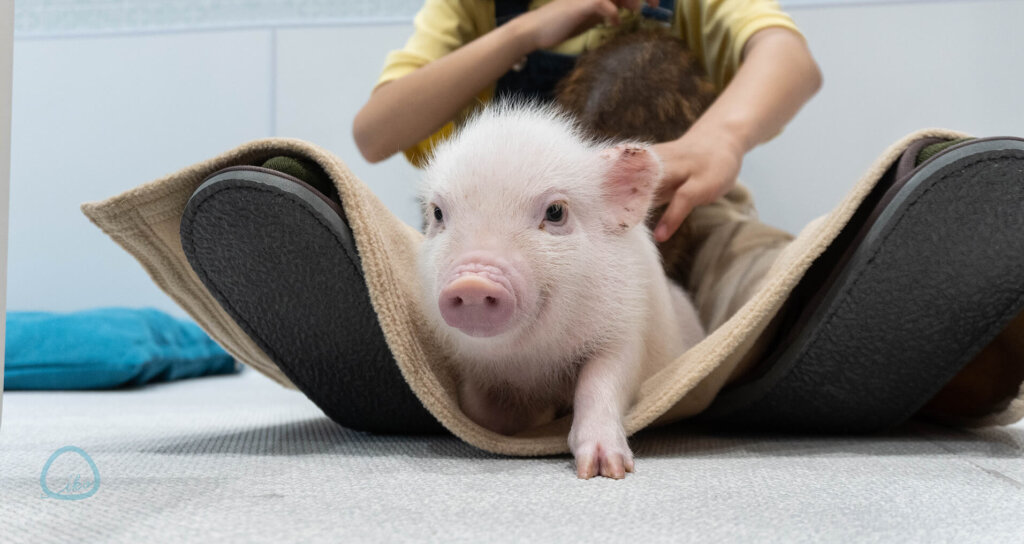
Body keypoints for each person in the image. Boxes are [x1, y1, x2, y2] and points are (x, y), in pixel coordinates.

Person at [353, 0, 822, 335]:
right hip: (487, 239)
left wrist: (721, 138)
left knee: (760, 280)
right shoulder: (472, 7)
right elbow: (375, 133)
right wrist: (525, 32)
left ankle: (820, 303)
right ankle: (360, 332)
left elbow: (792, 60)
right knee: (394, 291)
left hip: (678, 224)